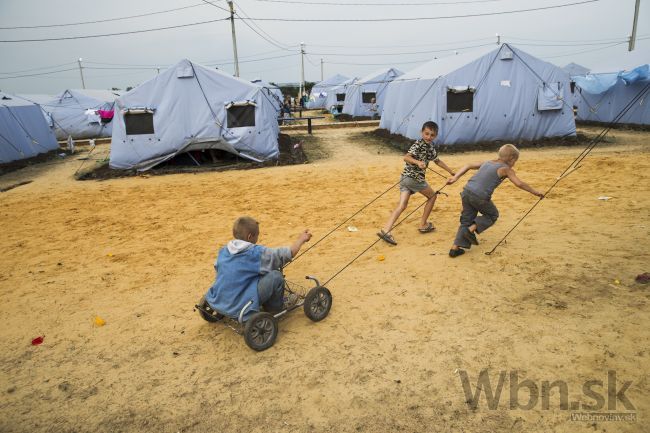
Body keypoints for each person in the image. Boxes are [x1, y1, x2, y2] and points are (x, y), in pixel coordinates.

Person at [446, 144, 544, 258]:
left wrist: (455, 177)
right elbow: (519, 183)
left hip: (467, 192)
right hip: (480, 197)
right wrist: (535, 192)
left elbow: (468, 165)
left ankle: (455, 248)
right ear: (512, 159)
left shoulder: (487, 162)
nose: (514, 163)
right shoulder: (506, 169)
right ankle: (471, 229)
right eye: (515, 160)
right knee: (492, 215)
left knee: (466, 219)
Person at [203, 216, 312, 319]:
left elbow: (218, 268)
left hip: (221, 299)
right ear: (250, 237)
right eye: (257, 235)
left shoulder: (224, 250)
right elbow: (287, 253)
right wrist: (301, 239)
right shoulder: (255, 253)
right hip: (240, 305)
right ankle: (274, 308)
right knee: (276, 276)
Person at [377, 121, 455, 246]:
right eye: (426, 134)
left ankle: (386, 229)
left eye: (432, 135)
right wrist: (417, 162)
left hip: (405, 179)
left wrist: (450, 171)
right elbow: (406, 157)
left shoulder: (430, 147)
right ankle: (423, 224)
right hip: (414, 179)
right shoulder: (418, 144)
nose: (428, 137)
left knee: (402, 205)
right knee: (432, 196)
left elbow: (437, 161)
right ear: (421, 132)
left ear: (435, 135)